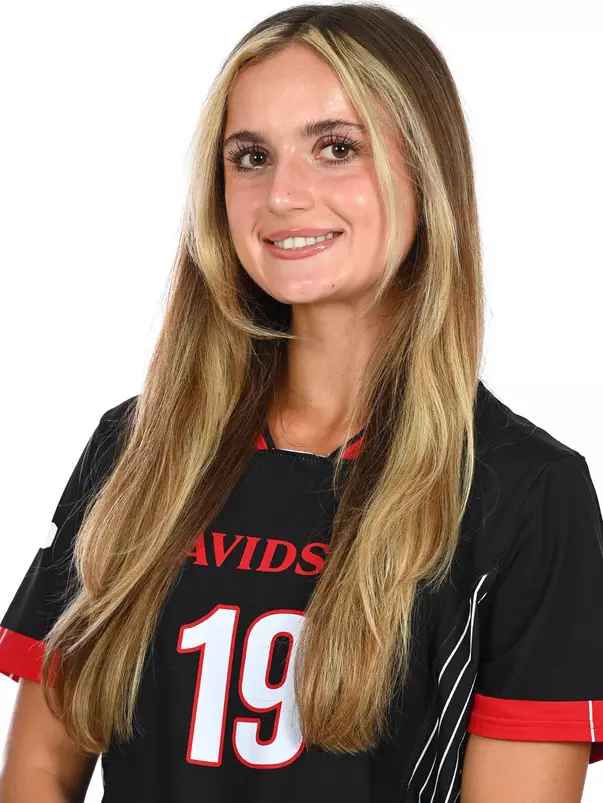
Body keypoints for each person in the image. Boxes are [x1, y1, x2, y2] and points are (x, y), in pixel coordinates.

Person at [1, 4, 602, 802]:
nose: (282, 194)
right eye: (250, 156)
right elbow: (39, 768)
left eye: (335, 148)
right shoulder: (135, 448)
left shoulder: (524, 491)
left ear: (426, 171)